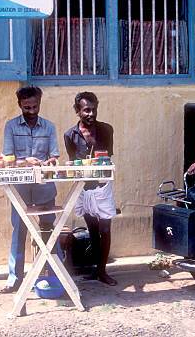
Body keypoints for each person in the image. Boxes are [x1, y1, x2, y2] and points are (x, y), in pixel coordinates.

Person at [0, 86, 59, 294]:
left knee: (49, 229)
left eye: (35, 106)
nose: (31, 111)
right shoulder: (11, 126)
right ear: (19, 105)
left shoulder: (49, 127)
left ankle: (55, 275)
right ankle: (15, 279)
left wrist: (49, 162)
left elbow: (54, 156)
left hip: (44, 186)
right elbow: (7, 159)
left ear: (40, 103)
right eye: (27, 107)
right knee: (19, 230)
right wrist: (25, 162)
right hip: (21, 188)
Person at [64, 92, 118, 286]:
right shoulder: (70, 135)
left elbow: (107, 158)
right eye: (86, 110)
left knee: (105, 227)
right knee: (93, 229)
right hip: (84, 188)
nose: (91, 113)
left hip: (102, 186)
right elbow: (72, 162)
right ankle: (96, 269)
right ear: (77, 111)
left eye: (94, 109)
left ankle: (103, 271)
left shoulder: (106, 130)